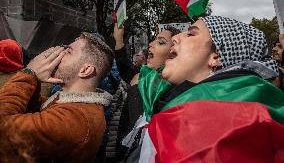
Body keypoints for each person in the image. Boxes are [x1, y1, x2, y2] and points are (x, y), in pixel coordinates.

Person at [136, 16, 284, 162]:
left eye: (191, 33)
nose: (175, 37)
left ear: (216, 57)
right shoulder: (181, 111)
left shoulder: (216, 133)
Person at [0, 32, 114, 163]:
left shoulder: (75, 119)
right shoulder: (71, 104)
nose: (59, 53)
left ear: (85, 70)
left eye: (68, 51)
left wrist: (29, 73)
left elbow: (3, 128)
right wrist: (35, 79)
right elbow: (34, 110)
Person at [112, 23, 180, 162]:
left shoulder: (173, 89)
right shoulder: (144, 75)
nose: (151, 44)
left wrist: (137, 86)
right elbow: (126, 70)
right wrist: (119, 40)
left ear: (174, 53)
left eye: (161, 42)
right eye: (154, 39)